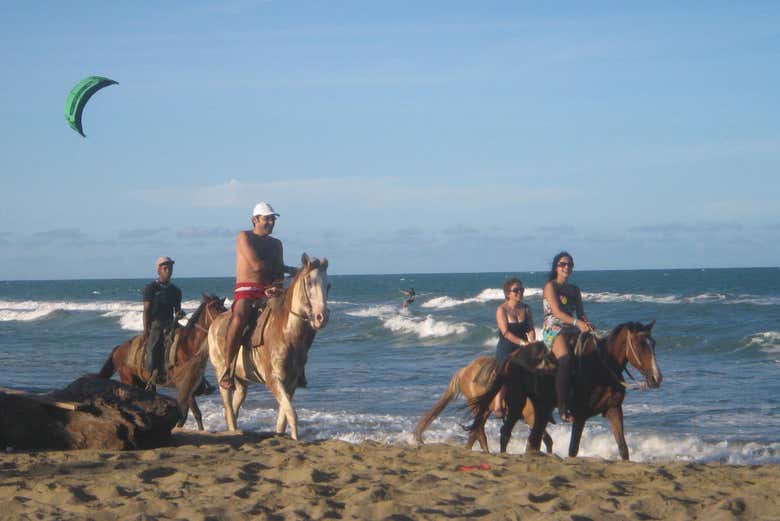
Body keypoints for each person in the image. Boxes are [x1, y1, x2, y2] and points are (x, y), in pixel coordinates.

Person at [220, 202, 296, 391]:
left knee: (293, 316)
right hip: (247, 289)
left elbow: (278, 273)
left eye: (273, 219)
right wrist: (290, 269)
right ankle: (227, 368)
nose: (271, 222)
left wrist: (276, 286)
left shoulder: (277, 244)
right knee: (239, 317)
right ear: (255, 219)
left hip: (270, 289)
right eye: (267, 219)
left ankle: (295, 366)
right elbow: (256, 266)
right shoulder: (244, 237)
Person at [542, 251, 593, 423]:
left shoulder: (574, 290)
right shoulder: (550, 286)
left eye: (569, 264)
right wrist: (578, 323)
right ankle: (563, 408)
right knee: (565, 359)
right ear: (556, 267)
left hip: (572, 327)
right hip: (554, 328)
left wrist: (587, 323)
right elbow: (557, 312)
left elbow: (581, 313)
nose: (566, 267)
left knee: (594, 351)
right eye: (563, 264)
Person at [491, 277, 536, 416]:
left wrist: (532, 341)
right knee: (505, 374)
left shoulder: (526, 308)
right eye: (516, 290)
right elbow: (505, 333)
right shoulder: (502, 309)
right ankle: (498, 405)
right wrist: (523, 343)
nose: (519, 292)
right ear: (508, 293)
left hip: (523, 349)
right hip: (507, 348)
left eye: (521, 289)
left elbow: (530, 328)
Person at [143, 256, 183, 388]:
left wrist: (179, 314)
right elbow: (146, 310)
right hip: (156, 325)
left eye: (170, 268)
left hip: (171, 324)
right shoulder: (151, 288)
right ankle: (151, 378)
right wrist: (146, 330)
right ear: (158, 270)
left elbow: (177, 311)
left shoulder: (176, 291)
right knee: (153, 348)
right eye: (165, 268)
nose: (168, 271)